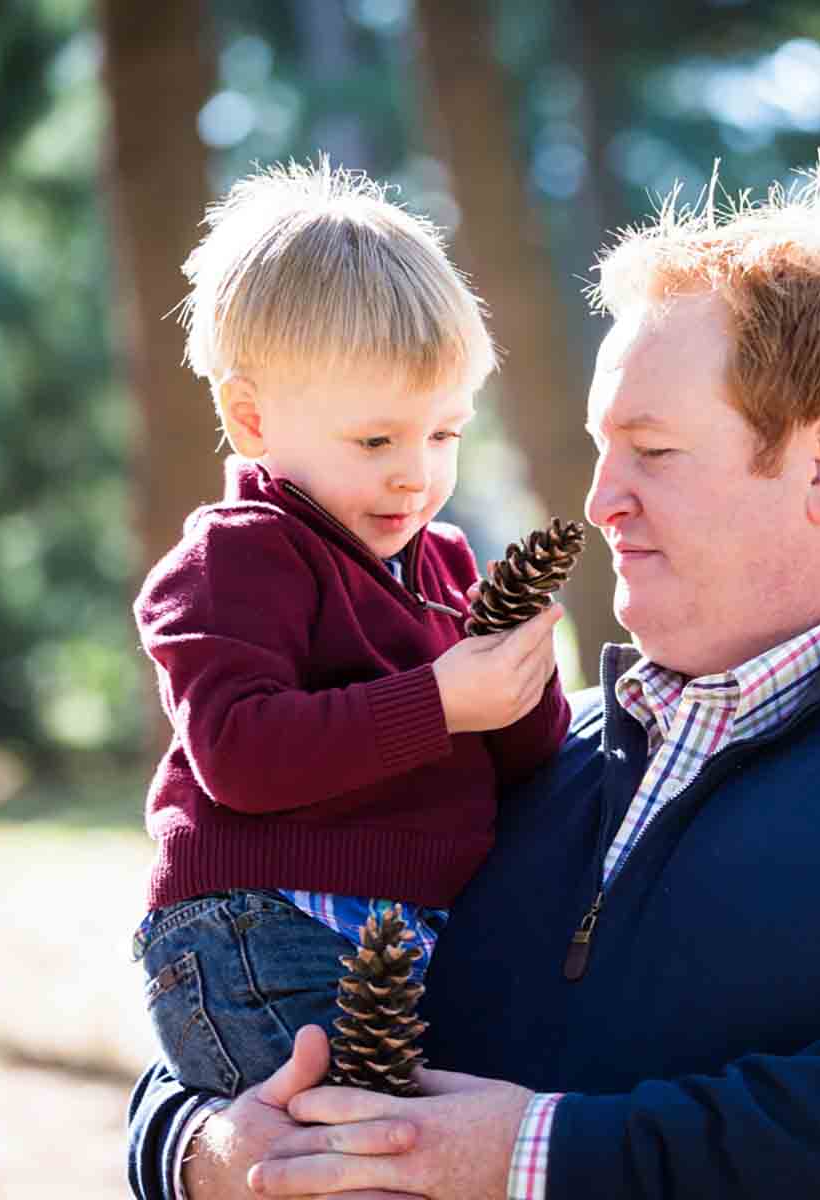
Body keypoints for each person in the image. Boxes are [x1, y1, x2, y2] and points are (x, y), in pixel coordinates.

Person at [128, 163, 820, 1199]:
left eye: (652, 451)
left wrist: (534, 1158)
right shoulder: (520, 752)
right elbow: (229, 1018)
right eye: (601, 451)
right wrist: (204, 1155)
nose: (598, 503)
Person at [130, 159, 570, 1099]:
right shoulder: (242, 558)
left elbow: (518, 767)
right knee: (357, 1165)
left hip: (402, 944)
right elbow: (240, 753)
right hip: (264, 928)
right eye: (377, 441)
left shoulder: (443, 563)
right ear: (251, 418)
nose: (415, 474)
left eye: (444, 434)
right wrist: (441, 701)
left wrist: (519, 680)